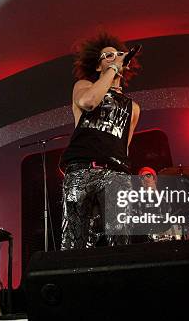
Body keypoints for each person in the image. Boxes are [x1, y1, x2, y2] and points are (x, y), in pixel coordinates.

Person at [60, 33, 141, 250]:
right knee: (75, 243)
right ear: (98, 67)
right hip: (81, 170)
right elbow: (88, 102)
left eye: (117, 56)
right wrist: (113, 68)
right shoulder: (84, 86)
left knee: (119, 243)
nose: (114, 59)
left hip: (116, 175)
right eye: (107, 56)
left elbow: (124, 146)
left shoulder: (133, 108)